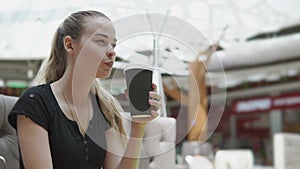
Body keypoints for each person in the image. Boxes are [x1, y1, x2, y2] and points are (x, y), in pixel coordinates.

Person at [8, 10, 161, 169]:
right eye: (101, 41)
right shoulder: (36, 102)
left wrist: (138, 126)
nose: (112, 51)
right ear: (69, 45)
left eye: (113, 44)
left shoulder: (104, 107)